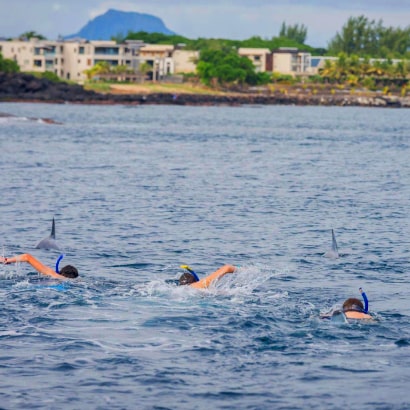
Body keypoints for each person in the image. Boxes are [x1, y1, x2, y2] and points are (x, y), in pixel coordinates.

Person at [1, 253, 78, 280]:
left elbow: (27, 257)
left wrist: (6, 260)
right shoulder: (76, 281)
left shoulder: (53, 274)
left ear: (61, 272)